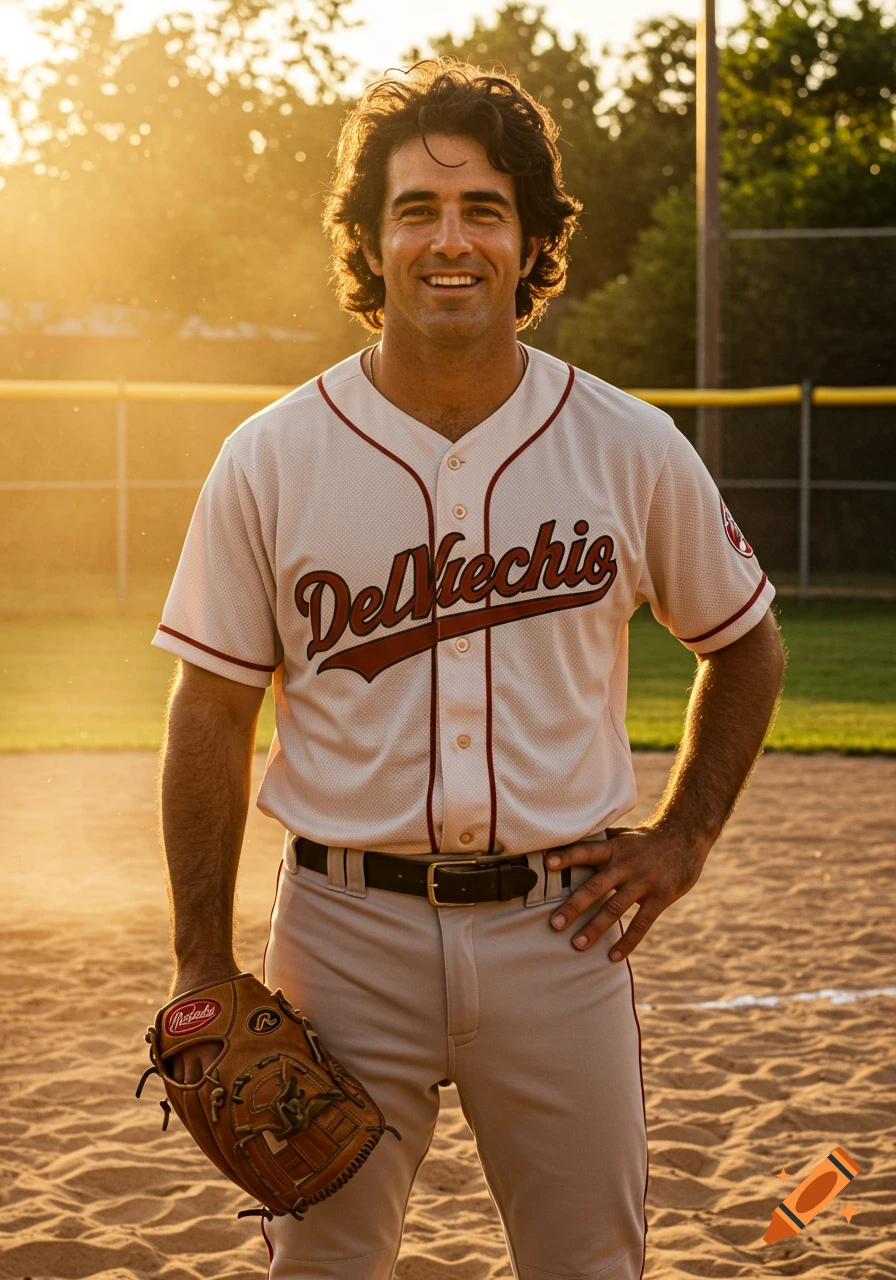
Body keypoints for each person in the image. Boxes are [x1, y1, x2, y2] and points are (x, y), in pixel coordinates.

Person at [152, 60, 785, 1280]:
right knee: (322, 1267)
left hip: (561, 929)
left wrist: (683, 834)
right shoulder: (272, 457)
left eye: (483, 210)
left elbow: (743, 637)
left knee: (589, 1263)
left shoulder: (626, 445)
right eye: (416, 211)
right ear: (370, 240)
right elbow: (211, 706)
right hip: (340, 937)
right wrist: (197, 957)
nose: (450, 240)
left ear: (531, 242)